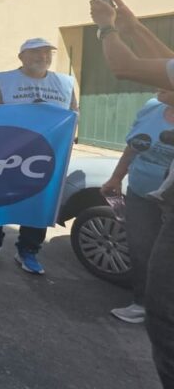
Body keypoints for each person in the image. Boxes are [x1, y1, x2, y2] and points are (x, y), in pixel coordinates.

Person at [90, 0, 174, 387]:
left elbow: (126, 68)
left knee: (165, 319)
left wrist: (107, 28)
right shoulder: (153, 106)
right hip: (149, 195)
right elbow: (162, 66)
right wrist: (133, 27)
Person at [0, 38, 77, 275]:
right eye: (35, 53)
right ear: (21, 57)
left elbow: (72, 116)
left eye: (46, 53)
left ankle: (28, 251)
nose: (42, 57)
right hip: (4, 155)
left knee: (38, 204)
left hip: (45, 156)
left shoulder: (65, 83)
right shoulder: (1, 81)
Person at [101, 90, 174, 324]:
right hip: (139, 193)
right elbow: (133, 146)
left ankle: (164, 310)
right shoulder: (152, 107)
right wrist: (116, 178)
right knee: (141, 249)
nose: (159, 85)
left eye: (167, 81)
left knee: (165, 256)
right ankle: (143, 304)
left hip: (170, 202)